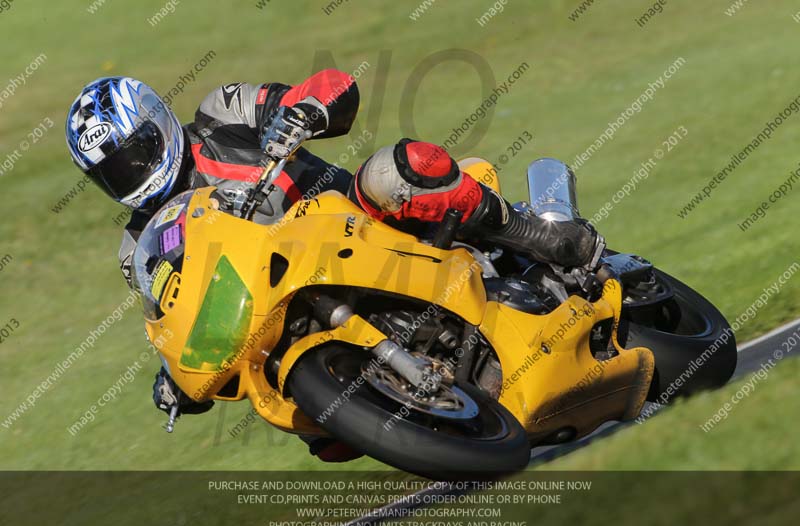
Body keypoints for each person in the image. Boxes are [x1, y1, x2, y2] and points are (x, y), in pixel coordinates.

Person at [65, 71, 601, 460]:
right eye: (112, 171)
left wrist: (303, 111)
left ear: (158, 124)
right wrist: (172, 377)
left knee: (398, 170)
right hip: (284, 311)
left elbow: (332, 87)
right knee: (325, 438)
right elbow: (179, 317)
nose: (130, 173)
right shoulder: (138, 247)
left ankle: (542, 234)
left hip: (360, 226)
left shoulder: (220, 116)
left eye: (134, 152)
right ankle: (408, 407)